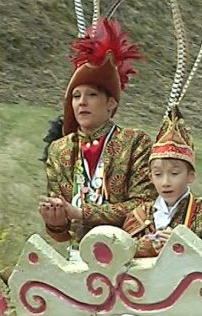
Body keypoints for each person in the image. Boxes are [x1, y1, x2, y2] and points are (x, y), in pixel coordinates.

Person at [37, 16, 157, 260]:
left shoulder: (135, 142)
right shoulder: (60, 151)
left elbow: (144, 205)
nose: (81, 102)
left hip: (130, 257)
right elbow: (61, 234)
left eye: (91, 95)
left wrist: (81, 212)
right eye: (76, 96)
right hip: (78, 258)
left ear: (111, 103)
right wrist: (55, 221)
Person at [121, 105, 202, 261]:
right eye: (158, 174)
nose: (166, 182)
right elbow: (121, 252)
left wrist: (184, 246)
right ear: (150, 177)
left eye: (174, 173)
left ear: (191, 176)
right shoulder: (139, 214)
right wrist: (149, 246)